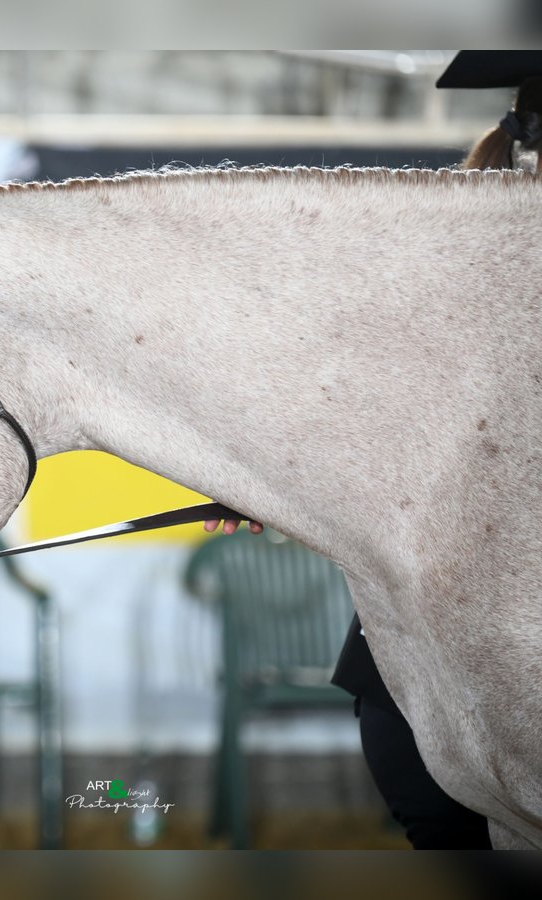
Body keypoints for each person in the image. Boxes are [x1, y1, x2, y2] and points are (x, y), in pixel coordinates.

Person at [208, 51, 542, 849]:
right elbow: (366, 408)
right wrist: (261, 480)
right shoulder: (459, 276)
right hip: (422, 635)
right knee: (430, 811)